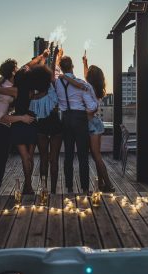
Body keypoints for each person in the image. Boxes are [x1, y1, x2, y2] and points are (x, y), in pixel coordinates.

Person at [59, 55, 114, 192]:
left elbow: (92, 107)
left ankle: (108, 184)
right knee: (92, 156)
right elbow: (83, 79)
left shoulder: (87, 87)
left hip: (91, 123)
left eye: (88, 72)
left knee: (95, 155)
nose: (85, 72)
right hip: (87, 123)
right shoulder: (91, 85)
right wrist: (85, 63)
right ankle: (100, 183)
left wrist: (65, 76)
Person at [0, 59, 35, 195]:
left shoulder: (4, 83)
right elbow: (2, 117)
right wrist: (23, 118)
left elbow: (24, 66)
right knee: (0, 159)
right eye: (16, 68)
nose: (18, 69)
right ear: (12, 72)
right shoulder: (11, 89)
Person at [11, 50, 53, 194]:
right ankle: (28, 185)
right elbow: (37, 70)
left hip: (19, 122)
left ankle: (27, 185)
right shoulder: (33, 90)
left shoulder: (16, 88)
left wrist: (41, 57)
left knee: (25, 157)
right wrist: (44, 60)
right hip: (32, 121)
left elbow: (28, 65)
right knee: (30, 155)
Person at [56, 56, 98, 194]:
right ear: (72, 66)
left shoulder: (57, 83)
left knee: (68, 155)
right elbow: (92, 106)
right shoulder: (80, 83)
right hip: (79, 119)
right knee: (82, 156)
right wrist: (84, 111)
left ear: (61, 67)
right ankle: (85, 188)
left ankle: (69, 187)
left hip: (65, 119)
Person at [30, 48, 63, 194]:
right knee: (54, 160)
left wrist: (44, 57)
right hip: (56, 127)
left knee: (43, 159)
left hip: (41, 129)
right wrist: (55, 56)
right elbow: (51, 72)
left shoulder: (33, 99)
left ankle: (44, 189)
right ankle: (54, 190)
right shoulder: (52, 91)